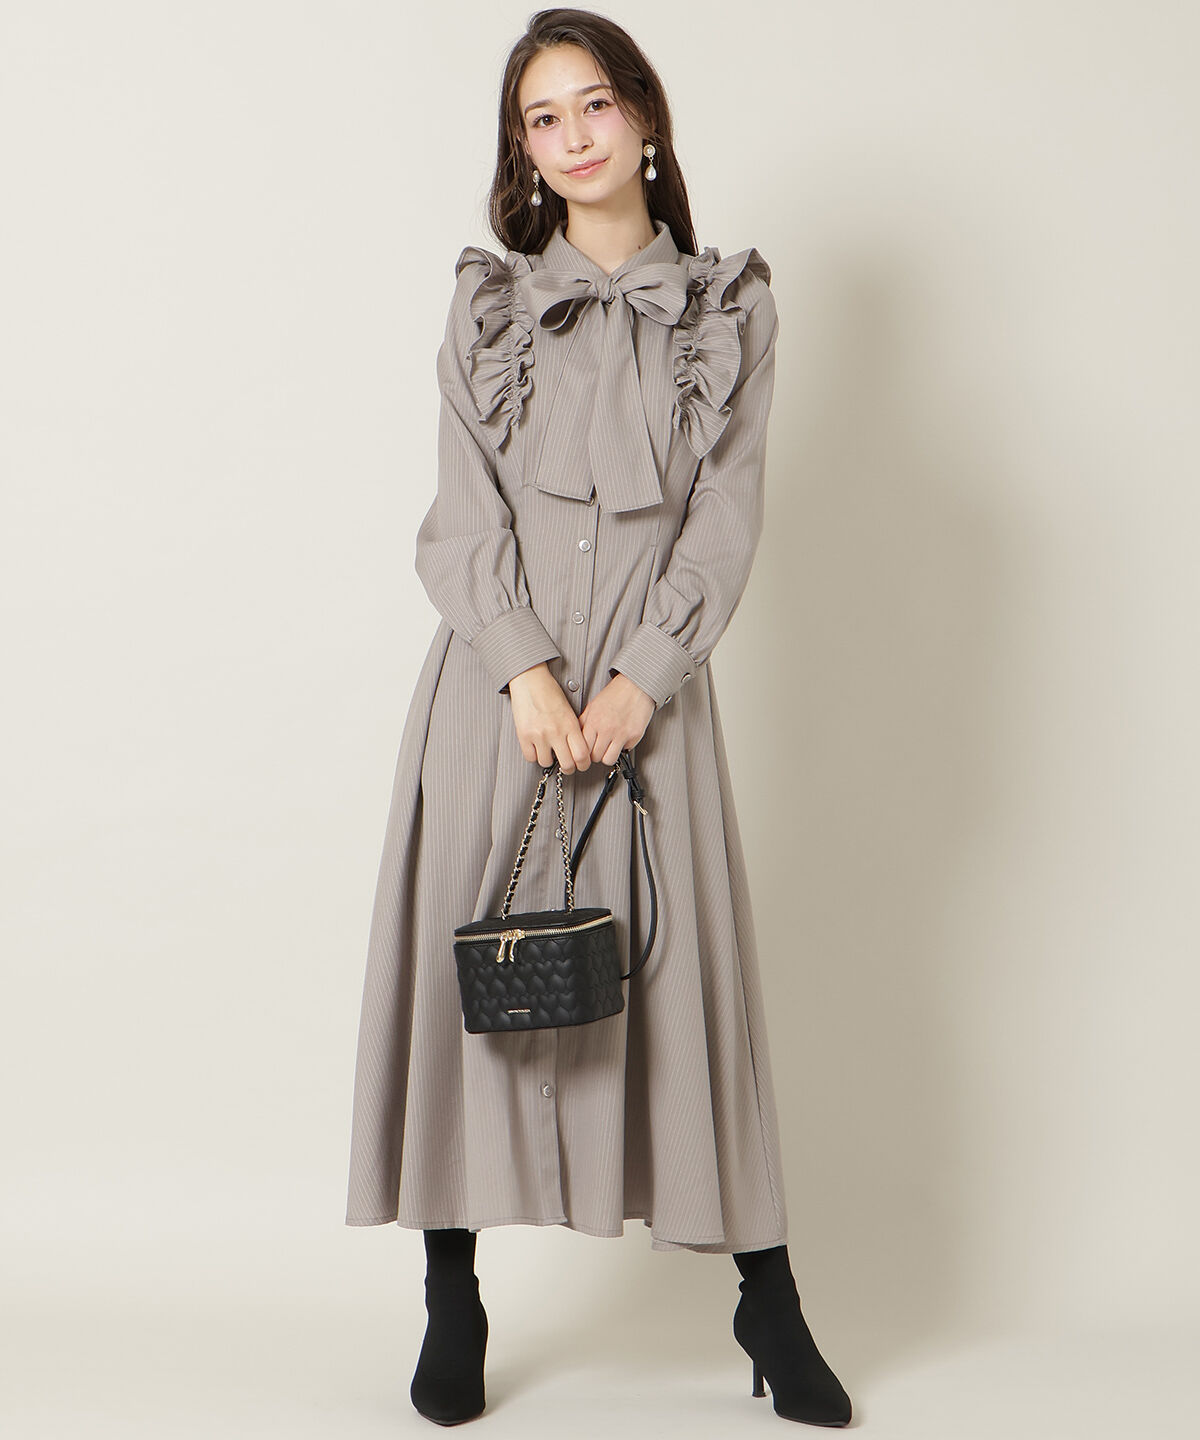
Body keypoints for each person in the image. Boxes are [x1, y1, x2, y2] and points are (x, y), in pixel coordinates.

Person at [344, 8, 852, 1428]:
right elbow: (460, 518)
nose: (571, 138)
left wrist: (640, 678)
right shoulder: (488, 306)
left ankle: (768, 1302)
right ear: (523, 149)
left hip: (651, 708)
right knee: (470, 995)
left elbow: (725, 519)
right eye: (541, 118)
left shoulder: (731, 310)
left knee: (687, 996)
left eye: (592, 105)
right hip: (491, 700)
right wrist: (524, 671)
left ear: (644, 116)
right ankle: (453, 1294)